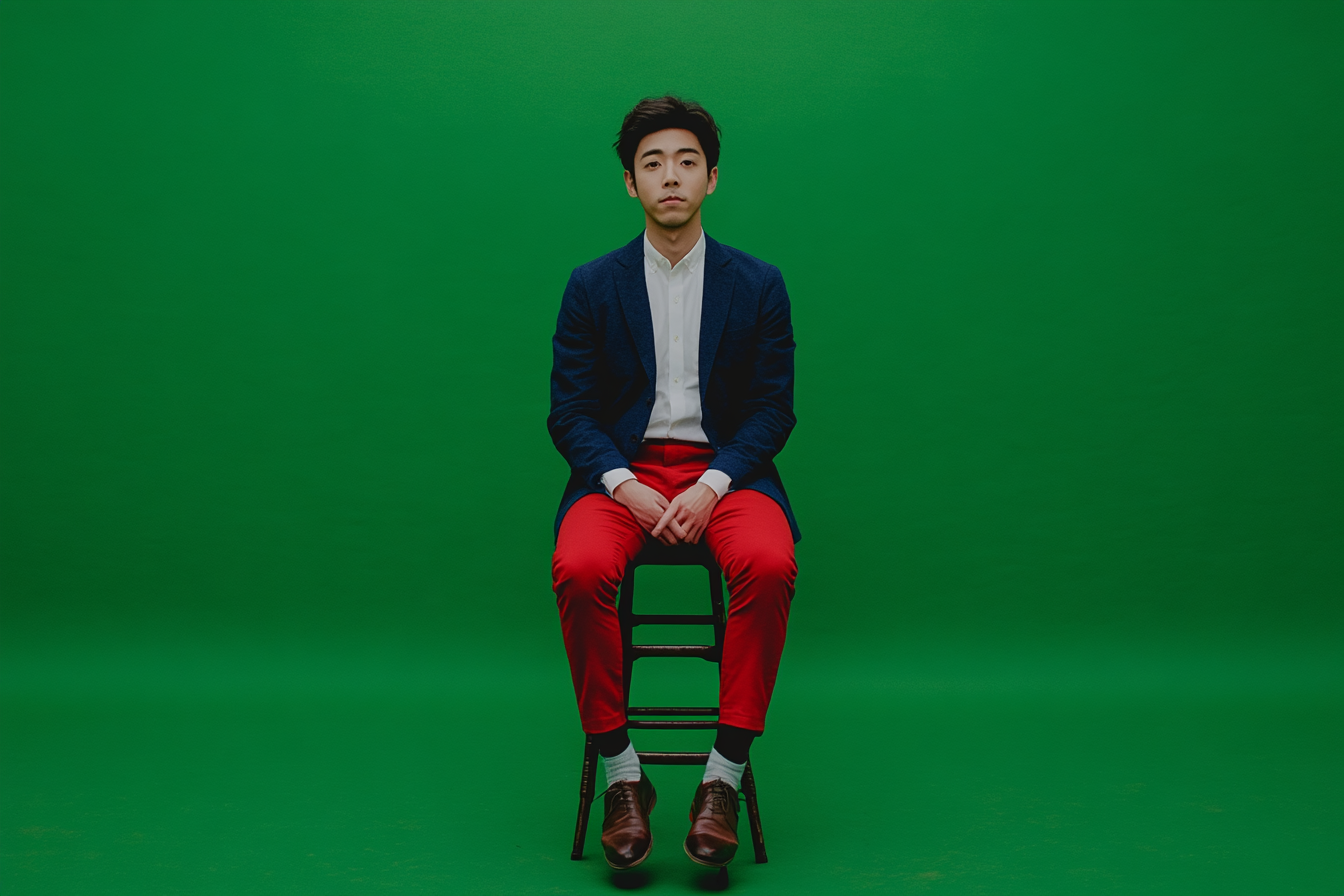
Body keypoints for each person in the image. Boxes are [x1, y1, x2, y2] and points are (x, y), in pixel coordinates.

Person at [549, 95, 800, 871]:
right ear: (630, 184)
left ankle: (720, 779)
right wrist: (622, 483)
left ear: (712, 179)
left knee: (770, 563)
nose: (670, 177)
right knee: (579, 566)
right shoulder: (591, 286)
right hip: (620, 477)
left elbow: (772, 410)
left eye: (686, 162)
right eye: (652, 163)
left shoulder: (758, 285)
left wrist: (714, 482)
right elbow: (569, 412)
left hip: (729, 474)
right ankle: (626, 776)